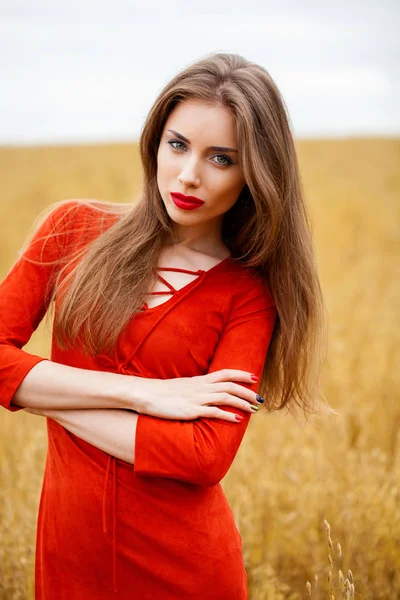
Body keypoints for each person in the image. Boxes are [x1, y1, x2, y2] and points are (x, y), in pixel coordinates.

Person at [0, 52, 329, 599]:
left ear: (256, 174)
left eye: (221, 158)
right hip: (69, 558)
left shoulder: (248, 295)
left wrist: (35, 391)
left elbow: (203, 456)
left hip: (186, 570)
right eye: (177, 145)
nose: (189, 175)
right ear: (155, 140)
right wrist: (149, 396)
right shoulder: (72, 229)